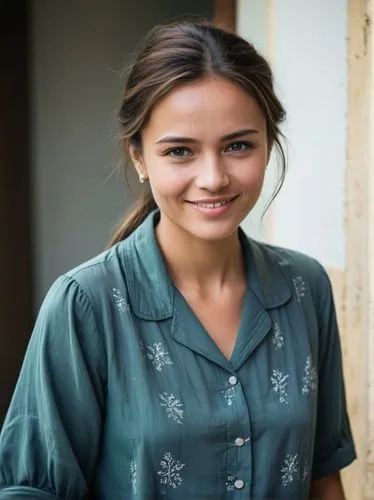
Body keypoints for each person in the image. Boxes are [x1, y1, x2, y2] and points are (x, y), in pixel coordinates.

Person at [0, 19, 356, 500]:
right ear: (140, 156)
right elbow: (33, 489)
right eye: (180, 151)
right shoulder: (85, 305)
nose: (213, 177)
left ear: (268, 144)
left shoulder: (305, 287)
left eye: (237, 145)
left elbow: (322, 477)